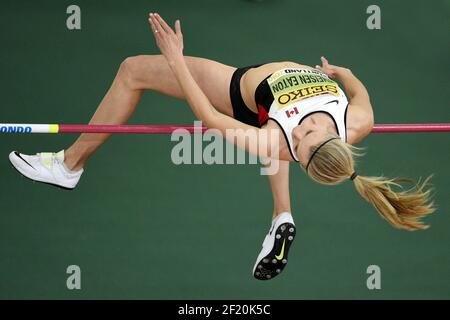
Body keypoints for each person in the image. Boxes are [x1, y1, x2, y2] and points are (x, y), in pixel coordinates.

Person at [9, 13, 435, 280]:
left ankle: (69, 165)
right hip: (265, 107)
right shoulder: (358, 121)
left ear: (300, 160)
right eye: (309, 137)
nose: (299, 138)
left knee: (132, 70)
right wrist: (341, 72)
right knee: (273, 141)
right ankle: (281, 216)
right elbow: (361, 93)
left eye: (297, 151)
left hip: (238, 91)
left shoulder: (278, 140)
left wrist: (176, 59)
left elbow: (213, 120)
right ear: (336, 137)